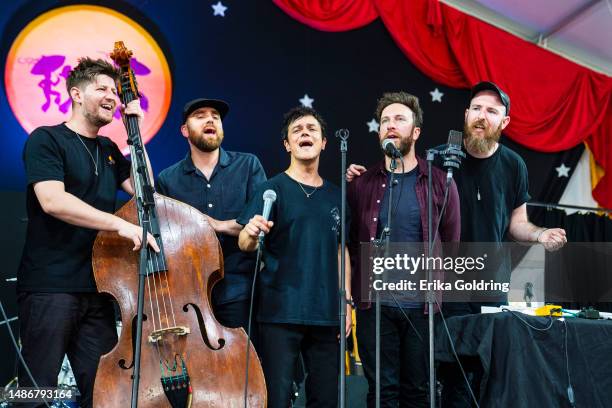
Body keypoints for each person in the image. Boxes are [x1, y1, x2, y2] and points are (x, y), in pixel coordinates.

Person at [347, 82, 568, 407]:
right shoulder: (436, 161)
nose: (482, 116)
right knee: (446, 374)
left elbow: (516, 223)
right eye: (477, 108)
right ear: (466, 114)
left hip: (490, 283)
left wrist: (539, 235)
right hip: (444, 286)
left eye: (491, 111)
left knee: (488, 371)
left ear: (504, 122)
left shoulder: (513, 165)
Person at [17, 57, 159, 408]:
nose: (112, 95)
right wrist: (119, 225)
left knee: (105, 393)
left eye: (115, 90)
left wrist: (135, 133)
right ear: (77, 94)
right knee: (36, 393)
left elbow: (146, 190)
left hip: (97, 290)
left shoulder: (109, 150)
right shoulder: (47, 139)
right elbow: (52, 201)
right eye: (103, 88)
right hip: (50, 287)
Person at [346, 92, 460, 407]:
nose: (390, 125)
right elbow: (351, 244)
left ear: (416, 132)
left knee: (418, 393)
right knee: (382, 392)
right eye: (385, 121)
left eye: (399, 119)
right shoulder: (361, 182)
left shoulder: (439, 181)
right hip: (374, 306)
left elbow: (451, 244)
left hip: (422, 308)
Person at [237, 106, 351, 408]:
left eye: (312, 129)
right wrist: (251, 232)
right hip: (279, 312)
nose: (305, 133)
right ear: (287, 144)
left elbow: (342, 250)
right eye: (297, 129)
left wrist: (347, 301)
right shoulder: (270, 189)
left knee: (326, 398)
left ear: (324, 142)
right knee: (276, 398)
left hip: (327, 314)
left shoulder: (336, 196)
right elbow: (245, 242)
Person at [156, 98, 266, 333]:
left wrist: (218, 225)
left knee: (240, 367)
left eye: (215, 116)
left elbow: (262, 224)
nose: (210, 120)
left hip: (240, 290)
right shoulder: (167, 179)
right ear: (185, 130)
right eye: (200, 115)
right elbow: (165, 238)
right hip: (188, 295)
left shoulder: (248, 165)